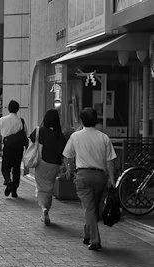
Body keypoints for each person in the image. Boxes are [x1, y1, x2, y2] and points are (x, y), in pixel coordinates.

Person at [63, 106, 116, 251]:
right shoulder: (103, 137)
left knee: (89, 209)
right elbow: (110, 160)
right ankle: (88, 236)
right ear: (96, 120)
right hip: (100, 177)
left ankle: (94, 240)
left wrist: (69, 169)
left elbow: (67, 155)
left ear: (81, 120)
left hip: (83, 176)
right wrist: (112, 178)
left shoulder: (76, 136)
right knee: (94, 209)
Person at [29, 108, 67, 225]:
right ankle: (46, 209)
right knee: (49, 188)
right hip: (54, 165)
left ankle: (44, 208)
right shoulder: (60, 135)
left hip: (41, 162)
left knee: (41, 187)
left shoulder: (40, 131)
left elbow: (31, 138)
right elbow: (63, 153)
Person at [0, 100, 27, 198]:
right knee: (16, 168)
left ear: (8, 108)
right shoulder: (21, 120)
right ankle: (14, 190)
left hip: (7, 147)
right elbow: (25, 133)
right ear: (18, 109)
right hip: (19, 148)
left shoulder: (3, 120)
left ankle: (8, 181)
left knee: (5, 167)